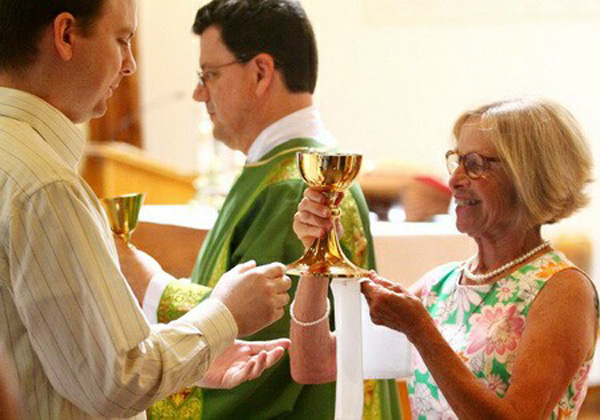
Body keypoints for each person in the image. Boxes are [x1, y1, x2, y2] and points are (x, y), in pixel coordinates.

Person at [0, 0, 293, 418]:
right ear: (66, 34)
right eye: (121, 39)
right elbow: (115, 382)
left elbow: (54, 346)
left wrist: (194, 352)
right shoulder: (46, 187)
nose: (130, 64)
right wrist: (224, 315)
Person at [128, 0, 400, 418]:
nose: (201, 92)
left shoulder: (294, 188)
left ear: (260, 72)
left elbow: (263, 356)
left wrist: (148, 287)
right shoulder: (282, 170)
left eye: (210, 74)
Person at [292, 98, 599, 418]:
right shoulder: (441, 284)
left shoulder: (562, 290)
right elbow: (314, 365)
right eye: (457, 161)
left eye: (476, 164)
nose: (454, 180)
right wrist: (318, 254)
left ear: (528, 176)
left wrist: (421, 331)